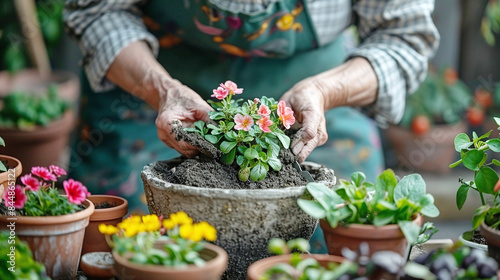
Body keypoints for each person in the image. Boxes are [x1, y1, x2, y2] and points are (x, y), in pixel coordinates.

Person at [64, 0, 439, 252]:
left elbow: (403, 37)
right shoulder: (159, 89)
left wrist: (323, 91)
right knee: (124, 240)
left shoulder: (319, 93)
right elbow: (97, 11)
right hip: (154, 88)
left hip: (313, 95)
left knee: (343, 233)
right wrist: (161, 89)